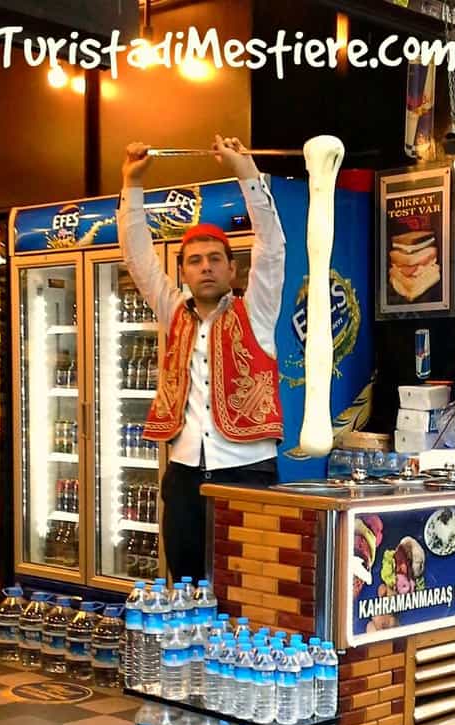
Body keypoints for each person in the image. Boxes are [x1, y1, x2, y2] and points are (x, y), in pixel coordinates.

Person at [118, 136, 286, 583]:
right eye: (195, 261)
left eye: (215, 258)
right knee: (186, 584)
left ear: (233, 269)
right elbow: (138, 259)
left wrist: (246, 173)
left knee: (248, 587)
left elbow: (273, 249)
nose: (206, 266)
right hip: (185, 473)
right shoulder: (173, 313)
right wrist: (131, 184)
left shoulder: (258, 312)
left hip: (247, 471)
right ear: (184, 272)